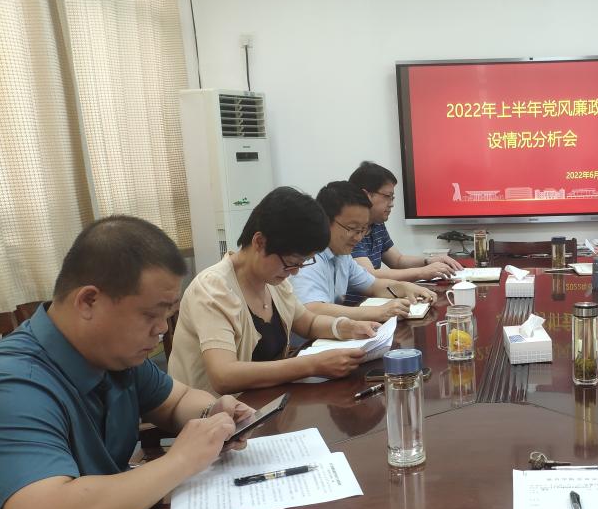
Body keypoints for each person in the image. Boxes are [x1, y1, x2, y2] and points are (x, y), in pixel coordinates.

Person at [0, 216, 262, 509]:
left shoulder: (114, 357)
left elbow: (177, 402)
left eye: (169, 314)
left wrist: (214, 412)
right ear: (89, 301)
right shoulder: (15, 385)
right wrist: (181, 460)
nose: (163, 330)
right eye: (152, 315)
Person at [169, 186, 379, 396]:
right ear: (259, 242)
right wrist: (311, 365)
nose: (295, 272)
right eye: (291, 262)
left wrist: (346, 327)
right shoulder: (213, 288)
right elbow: (224, 376)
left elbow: (308, 322)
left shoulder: (273, 281)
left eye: (302, 263)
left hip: (265, 402)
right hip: (215, 411)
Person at [291, 181, 437, 325]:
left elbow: (373, 285)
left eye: (362, 230)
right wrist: (378, 312)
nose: (358, 237)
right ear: (326, 221)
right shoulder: (307, 257)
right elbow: (312, 309)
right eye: (352, 228)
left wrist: (406, 288)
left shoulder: (342, 255)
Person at [350, 161, 463, 280]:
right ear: (365, 195)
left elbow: (397, 261)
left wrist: (429, 261)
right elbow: (369, 275)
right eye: (387, 196)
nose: (392, 204)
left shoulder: (376, 224)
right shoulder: (351, 229)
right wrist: (422, 272)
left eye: (392, 198)